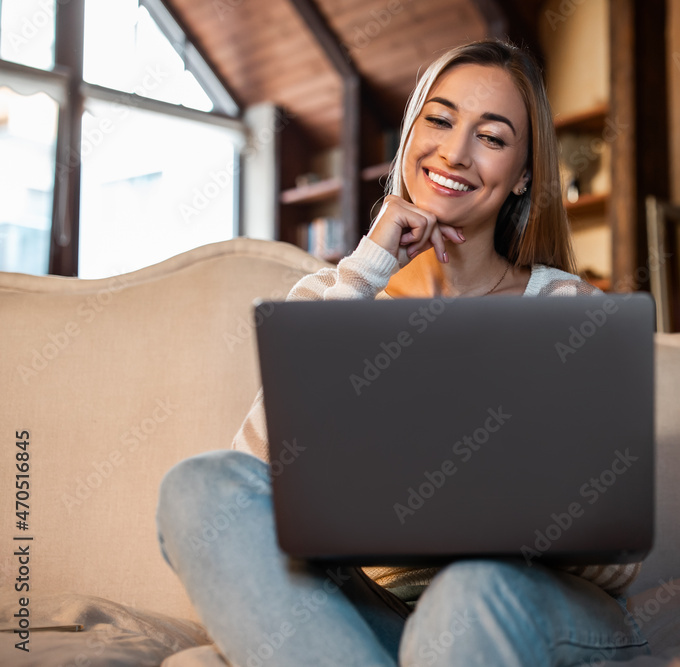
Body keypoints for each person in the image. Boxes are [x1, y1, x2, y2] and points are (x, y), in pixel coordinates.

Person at [156, 39, 651, 667]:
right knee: (199, 488)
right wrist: (366, 271)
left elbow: (621, 560)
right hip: (376, 617)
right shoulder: (336, 296)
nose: (455, 151)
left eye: (492, 137)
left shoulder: (566, 310)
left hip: (523, 603)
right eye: (439, 120)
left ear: (525, 173)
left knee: (469, 591)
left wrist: (506, 498)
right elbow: (259, 481)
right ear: (410, 134)